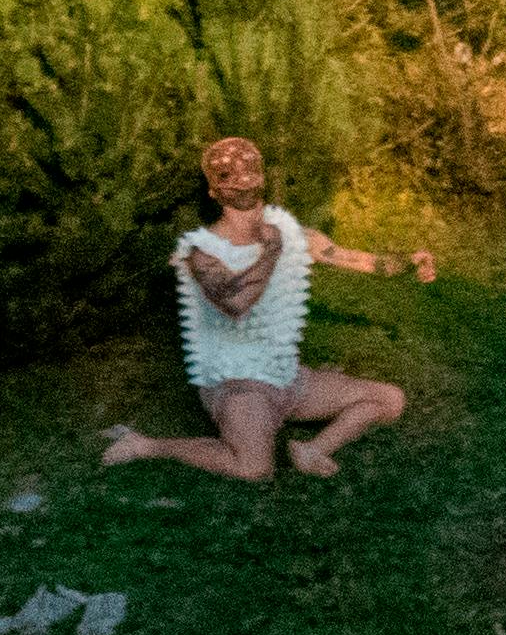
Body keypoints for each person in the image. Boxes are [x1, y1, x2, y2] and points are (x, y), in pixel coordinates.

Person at [103, 135, 427, 481]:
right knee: (254, 469)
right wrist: (271, 252)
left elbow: (359, 261)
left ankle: (313, 450)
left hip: (287, 377)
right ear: (214, 192)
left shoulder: (296, 235)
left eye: (249, 169)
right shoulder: (204, 251)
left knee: (389, 399)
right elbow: (237, 305)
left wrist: (410, 262)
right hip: (239, 385)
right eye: (228, 176)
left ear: (261, 176)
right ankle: (148, 445)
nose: (242, 179)